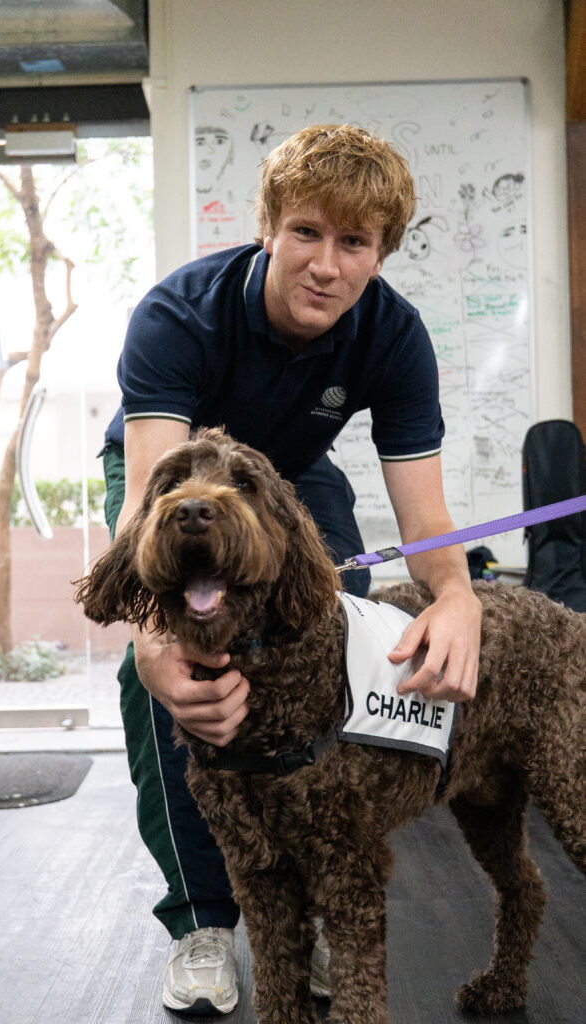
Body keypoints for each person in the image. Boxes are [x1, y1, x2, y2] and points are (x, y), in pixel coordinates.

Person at [100, 124, 482, 1016]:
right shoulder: (177, 315)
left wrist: (457, 596)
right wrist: (153, 641)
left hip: (287, 477)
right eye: (305, 232)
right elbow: (148, 499)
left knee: (330, 622)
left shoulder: (393, 336)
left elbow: (425, 519)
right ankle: (202, 920)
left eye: (354, 242)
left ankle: (308, 893)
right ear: (267, 227)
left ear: (380, 253)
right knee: (159, 663)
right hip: (172, 480)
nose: (325, 264)